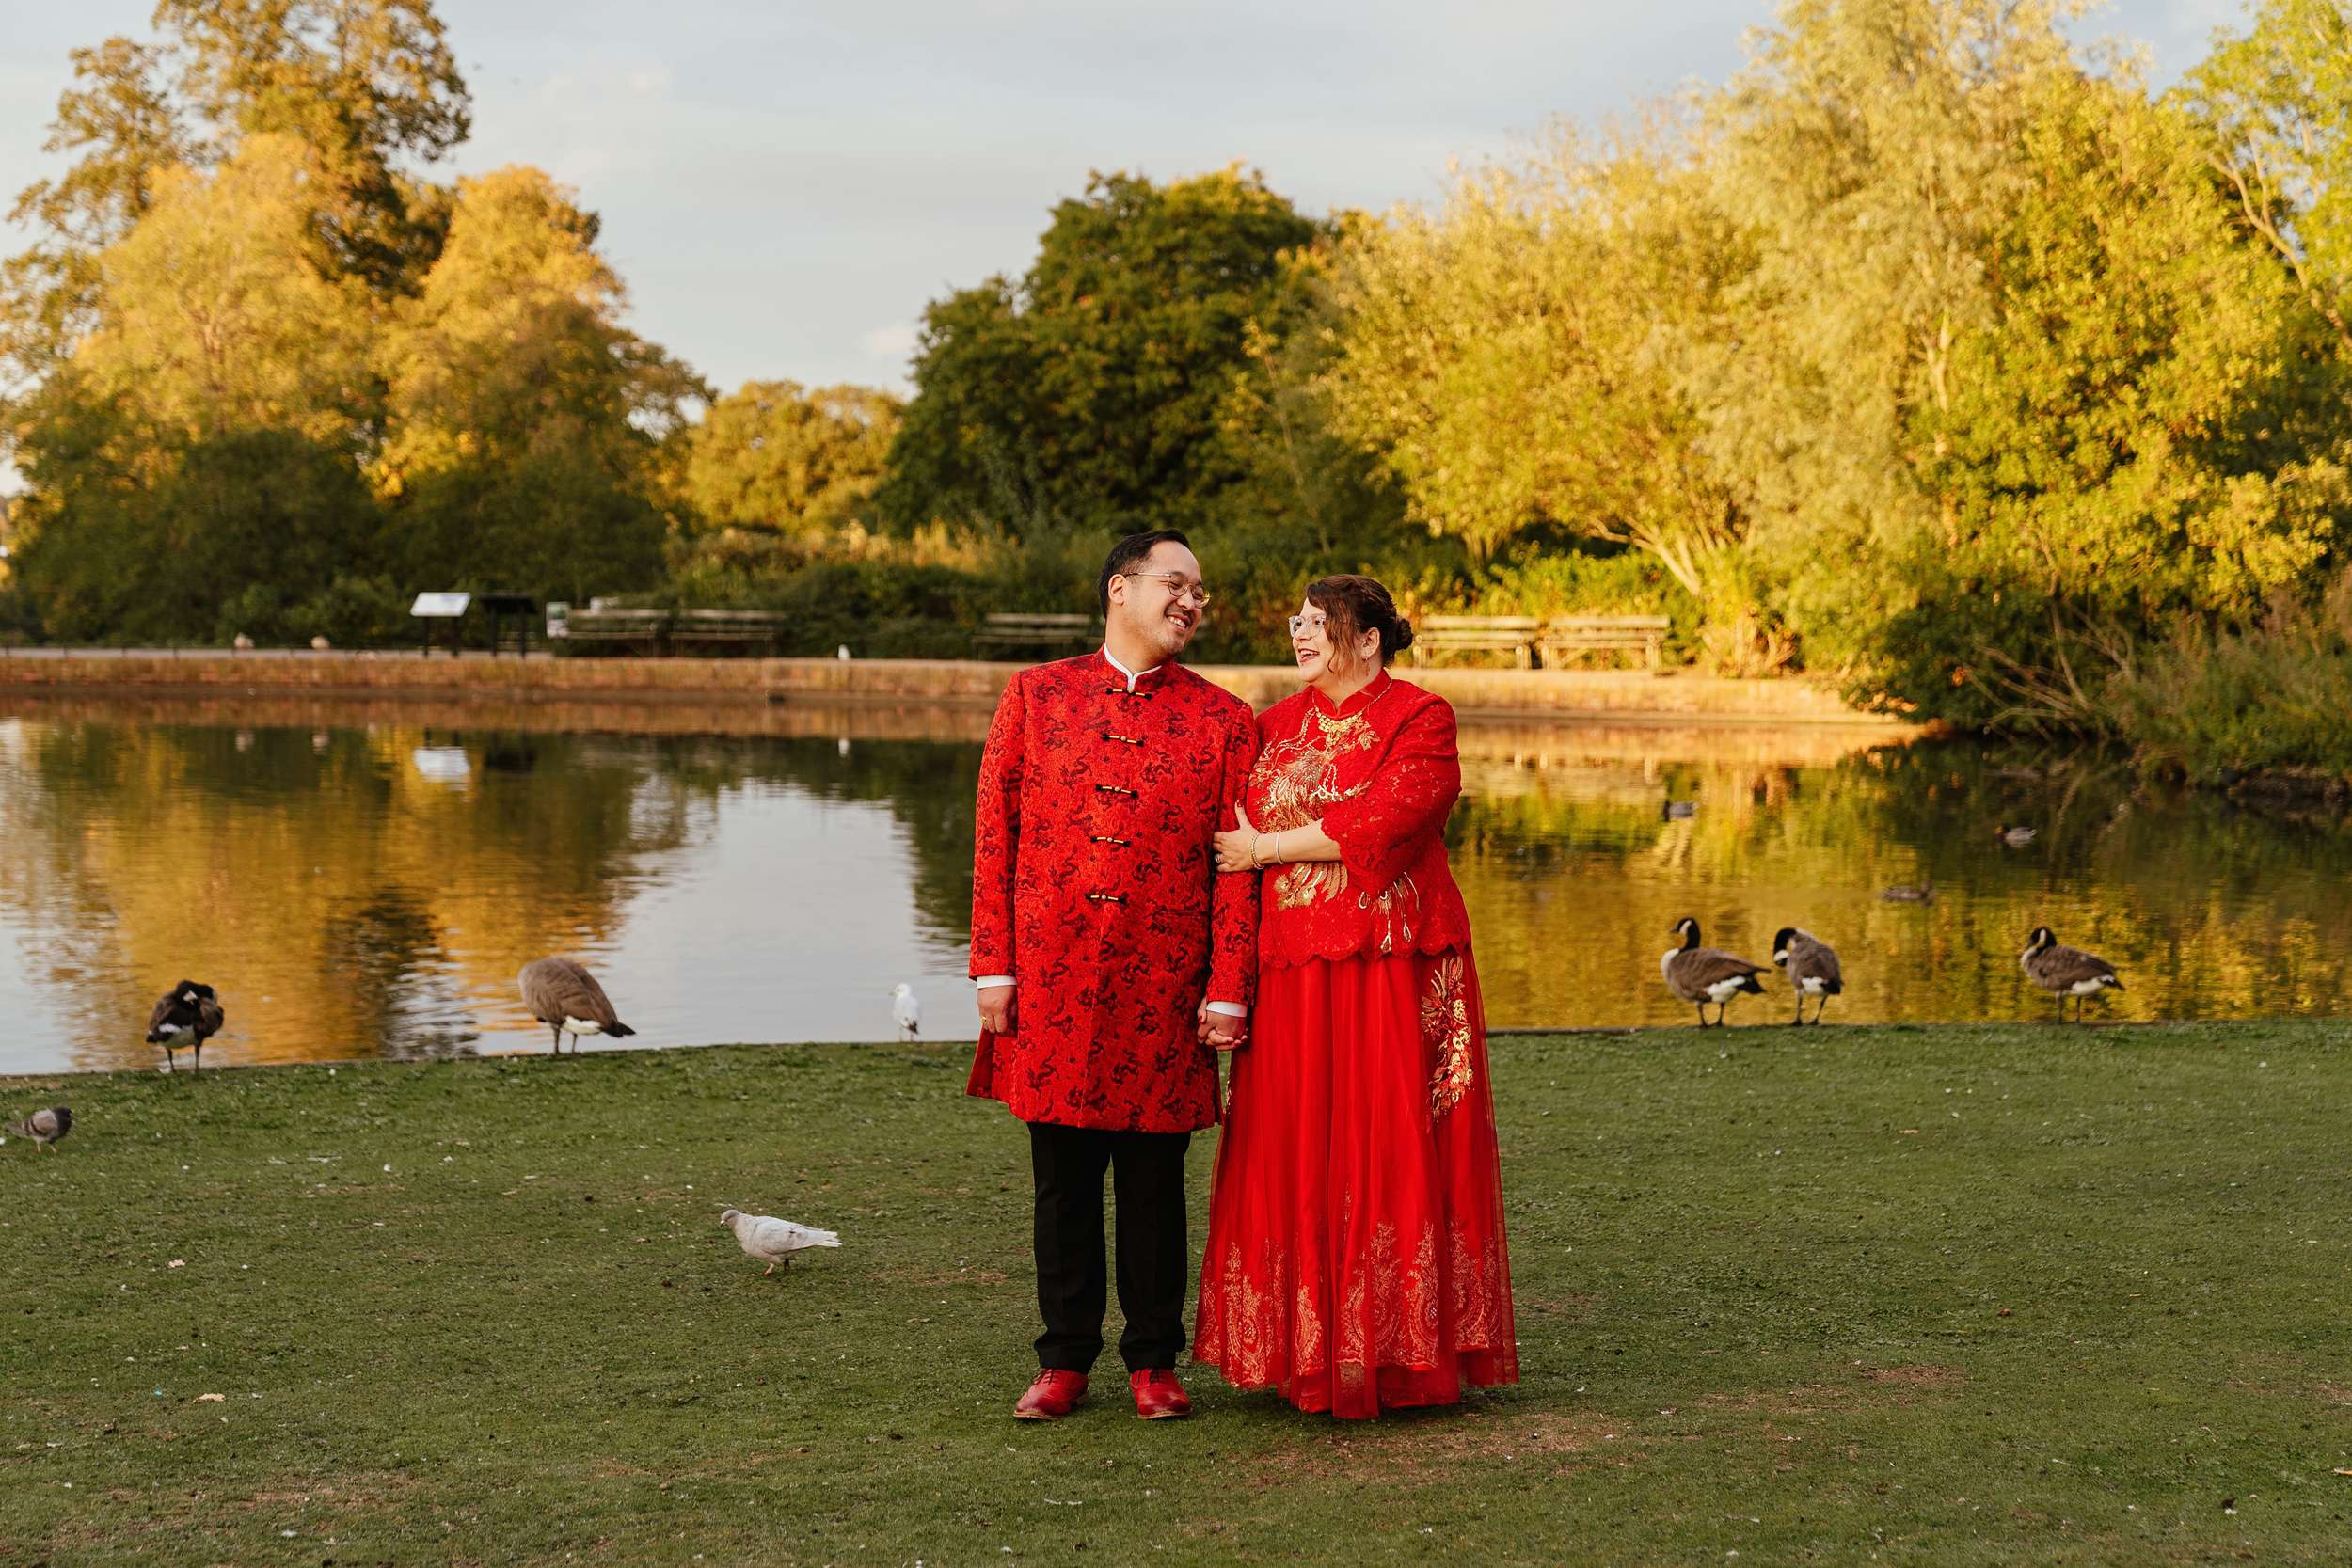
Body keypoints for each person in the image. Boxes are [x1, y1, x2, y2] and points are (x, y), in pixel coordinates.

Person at [1194, 574, 1518, 1418]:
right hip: (1292, 969)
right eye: (1295, 622)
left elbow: (1386, 820)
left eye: (1318, 623)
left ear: (1368, 639)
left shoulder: (1420, 717)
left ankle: (1398, 1352)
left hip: (1393, 965)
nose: (1300, 635)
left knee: (1388, 1141)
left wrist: (1265, 849)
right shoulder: (1272, 726)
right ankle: (1303, 1350)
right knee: (1297, 1145)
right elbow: (1224, 836)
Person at [966, 529, 1261, 1422]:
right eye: (1176, 583)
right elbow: (993, 836)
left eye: (1199, 591)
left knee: (1154, 1186)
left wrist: (1227, 986)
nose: (1191, 602)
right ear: (1119, 589)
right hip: (1050, 982)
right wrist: (992, 966)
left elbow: (1237, 869)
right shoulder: (1035, 695)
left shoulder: (1225, 719)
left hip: (1166, 990)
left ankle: (1153, 1360)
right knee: (1060, 1184)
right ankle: (1063, 1361)